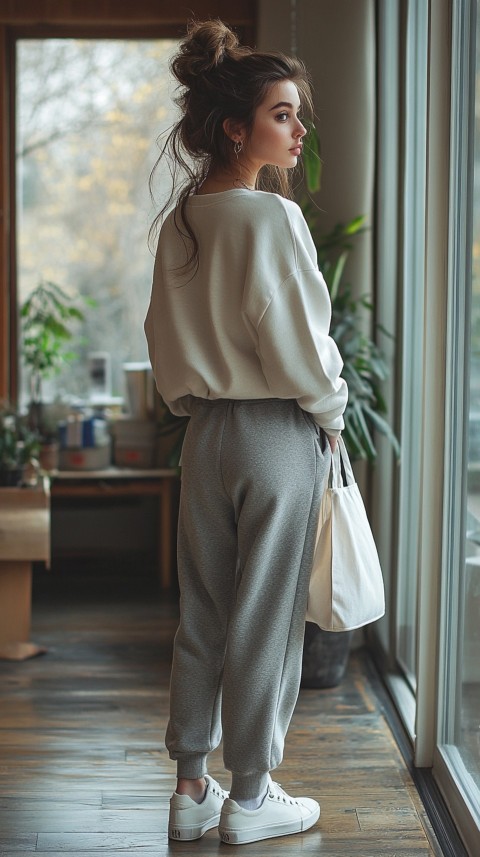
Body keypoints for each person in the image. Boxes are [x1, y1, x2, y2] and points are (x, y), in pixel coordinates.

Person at [144, 19, 348, 846]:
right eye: (284, 114)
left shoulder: (183, 221)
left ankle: (191, 787)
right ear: (237, 126)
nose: (299, 131)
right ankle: (252, 796)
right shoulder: (271, 219)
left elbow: (160, 341)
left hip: (206, 440)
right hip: (274, 436)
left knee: (204, 610)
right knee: (265, 617)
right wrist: (330, 413)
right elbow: (300, 347)